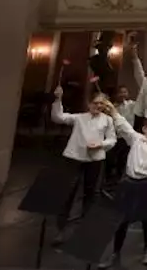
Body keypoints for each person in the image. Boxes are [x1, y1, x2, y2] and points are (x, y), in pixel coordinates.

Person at [98, 103, 147, 269]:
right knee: (122, 220)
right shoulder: (135, 139)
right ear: (144, 128)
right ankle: (115, 252)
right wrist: (114, 111)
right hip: (130, 184)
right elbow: (123, 125)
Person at [49, 85, 116, 243]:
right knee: (67, 194)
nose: (98, 106)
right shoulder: (79, 118)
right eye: (95, 103)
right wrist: (58, 99)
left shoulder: (107, 120)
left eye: (101, 104)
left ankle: (85, 229)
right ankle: (62, 230)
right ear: (89, 103)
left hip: (95, 160)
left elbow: (112, 139)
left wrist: (101, 144)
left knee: (91, 194)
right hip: (74, 158)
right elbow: (58, 117)